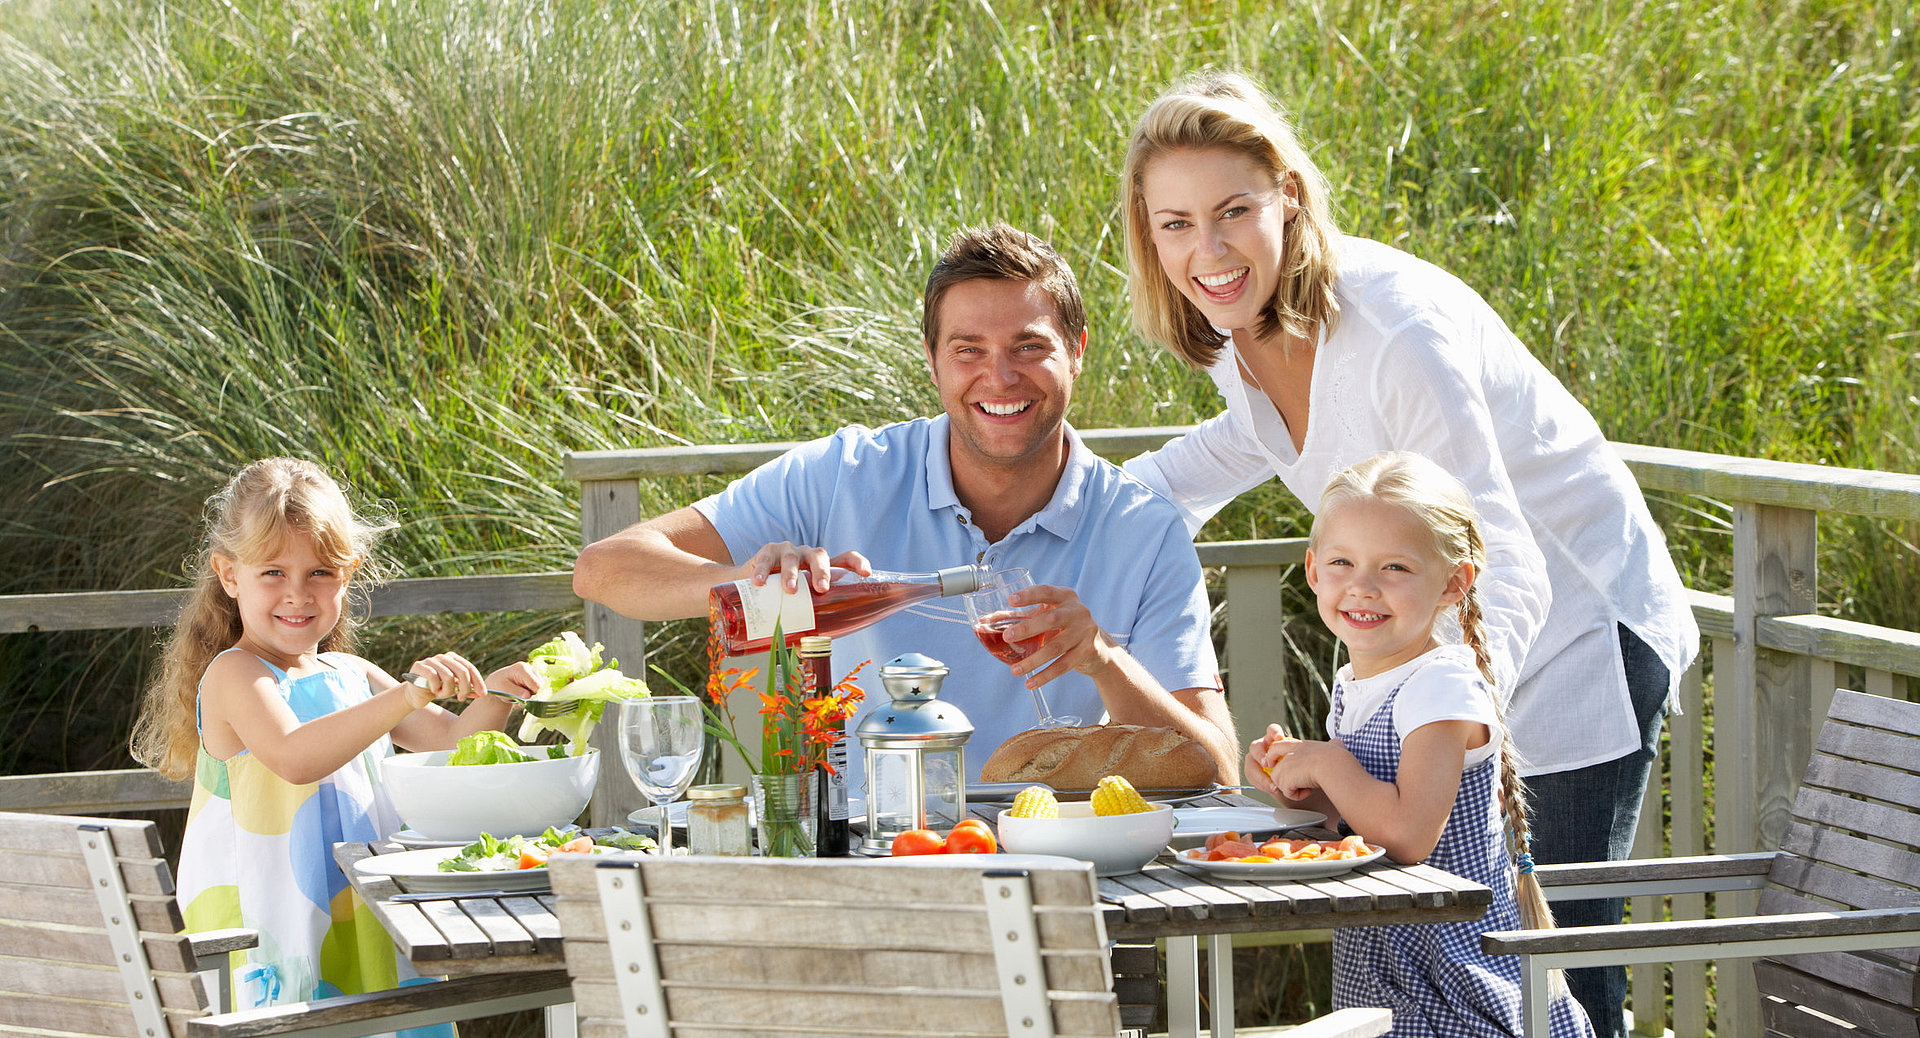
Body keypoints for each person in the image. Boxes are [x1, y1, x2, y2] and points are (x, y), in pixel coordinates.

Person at [1117, 71, 1697, 1036]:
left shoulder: (1395, 334)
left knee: (1549, 974)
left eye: (1232, 213)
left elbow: (1506, 551)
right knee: (1440, 962)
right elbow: (1233, 452)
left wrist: (1451, 718)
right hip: (1441, 677)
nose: (1206, 252)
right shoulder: (1238, 329)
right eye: (1174, 224)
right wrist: (1052, 516)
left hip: (1576, 636)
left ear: (1288, 198)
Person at [571, 223, 1237, 792]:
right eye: (968, 350)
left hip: (1063, 868)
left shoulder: (1143, 528)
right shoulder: (842, 474)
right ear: (932, 360)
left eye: (1029, 347)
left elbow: (1219, 768)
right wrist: (752, 586)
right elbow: (604, 570)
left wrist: (1099, 658)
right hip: (867, 864)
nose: (1000, 378)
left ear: (1077, 351)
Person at [130, 458, 542, 1021]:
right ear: (229, 575)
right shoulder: (235, 673)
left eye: (319, 573)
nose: (297, 594)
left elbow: (452, 745)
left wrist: (496, 693)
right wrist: (406, 696)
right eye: (272, 572)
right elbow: (294, 756)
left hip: (365, 918)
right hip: (271, 931)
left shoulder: (352, 673)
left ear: (347, 576)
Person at [1247, 451, 1593, 1037]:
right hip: (1388, 975)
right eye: (1341, 561)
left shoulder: (1439, 686)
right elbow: (1364, 818)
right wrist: (1294, 782)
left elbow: (1408, 835)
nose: (1362, 586)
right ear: (1311, 570)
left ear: (1453, 584)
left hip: (1454, 986)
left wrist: (1329, 761)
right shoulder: (1360, 681)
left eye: (1395, 569)